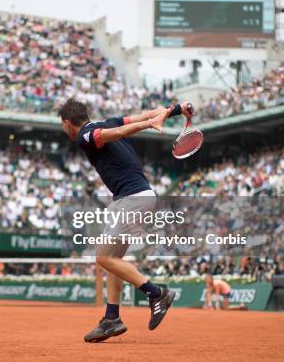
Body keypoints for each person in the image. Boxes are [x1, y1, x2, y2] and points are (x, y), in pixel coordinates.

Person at [57, 98, 192, 343]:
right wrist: (176, 110)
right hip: (135, 197)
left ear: (67, 123)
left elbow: (121, 130)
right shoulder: (104, 123)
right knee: (112, 260)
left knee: (103, 257)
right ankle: (111, 318)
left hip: (132, 198)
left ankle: (156, 293)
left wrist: (151, 122)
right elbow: (141, 116)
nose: (63, 128)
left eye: (62, 124)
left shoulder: (85, 136)